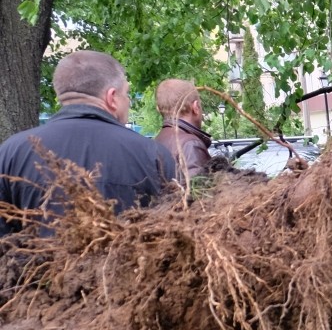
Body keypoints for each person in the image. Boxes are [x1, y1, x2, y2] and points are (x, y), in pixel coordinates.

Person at [0, 50, 178, 234]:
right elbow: (176, 237)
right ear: (112, 98)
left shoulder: (10, 153)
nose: (128, 102)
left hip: (31, 263)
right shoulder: (152, 154)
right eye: (127, 94)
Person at [154, 78, 214, 177]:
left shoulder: (157, 141)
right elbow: (198, 189)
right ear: (195, 107)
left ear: (158, 109)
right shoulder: (190, 144)